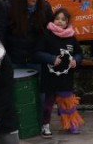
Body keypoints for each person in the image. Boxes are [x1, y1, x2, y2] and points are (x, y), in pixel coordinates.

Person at [35, 8, 84, 137]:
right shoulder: (46, 35)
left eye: (63, 19)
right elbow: (38, 52)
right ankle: (45, 125)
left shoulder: (71, 37)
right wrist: (51, 59)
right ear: (53, 20)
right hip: (49, 77)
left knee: (67, 102)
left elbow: (79, 53)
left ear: (67, 22)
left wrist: (76, 60)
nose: (60, 21)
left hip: (66, 77)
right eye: (57, 19)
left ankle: (71, 124)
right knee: (48, 104)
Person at [6, 0, 53, 71]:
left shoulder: (45, 6)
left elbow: (49, 29)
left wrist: (40, 48)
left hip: (36, 58)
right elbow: (6, 30)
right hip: (15, 57)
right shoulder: (11, 6)